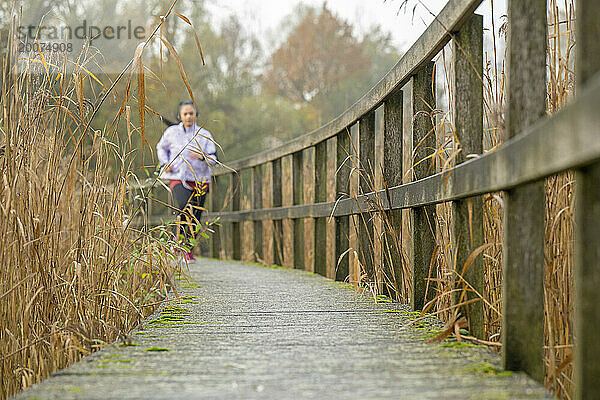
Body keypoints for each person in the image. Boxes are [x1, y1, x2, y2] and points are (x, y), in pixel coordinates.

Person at [156, 101, 217, 261]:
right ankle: (180, 243)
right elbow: (161, 148)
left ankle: (186, 248)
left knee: (196, 214)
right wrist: (165, 163)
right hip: (177, 176)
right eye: (185, 114)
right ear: (180, 116)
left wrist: (202, 157)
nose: (189, 116)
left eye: (191, 113)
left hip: (200, 179)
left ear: (196, 115)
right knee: (185, 207)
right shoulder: (171, 132)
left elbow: (214, 159)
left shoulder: (205, 135)